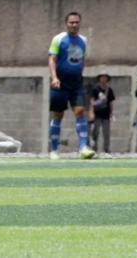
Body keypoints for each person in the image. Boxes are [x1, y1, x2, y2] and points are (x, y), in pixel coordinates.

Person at [47, 12, 95, 160]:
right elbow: (52, 59)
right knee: (58, 115)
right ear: (66, 23)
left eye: (76, 22)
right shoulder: (58, 39)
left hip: (77, 84)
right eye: (71, 22)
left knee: (80, 111)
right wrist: (54, 77)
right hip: (60, 84)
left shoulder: (83, 41)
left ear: (80, 23)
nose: (74, 25)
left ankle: (83, 147)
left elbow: (82, 60)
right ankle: (54, 150)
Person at [89, 73, 115, 154]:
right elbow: (92, 101)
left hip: (106, 114)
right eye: (102, 77)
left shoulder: (109, 90)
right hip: (97, 114)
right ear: (99, 79)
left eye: (105, 77)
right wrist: (91, 112)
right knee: (95, 132)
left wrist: (111, 113)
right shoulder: (95, 89)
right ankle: (94, 148)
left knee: (106, 133)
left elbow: (110, 103)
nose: (103, 79)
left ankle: (106, 149)